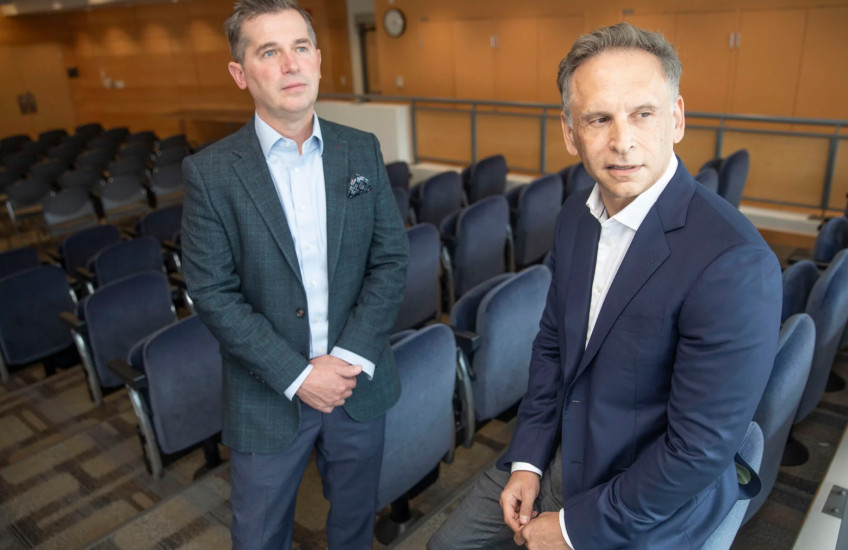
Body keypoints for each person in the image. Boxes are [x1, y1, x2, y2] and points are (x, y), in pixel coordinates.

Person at [429, 22, 781, 550]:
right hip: (563, 451)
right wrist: (527, 459)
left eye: (643, 113)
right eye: (599, 119)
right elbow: (552, 346)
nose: (622, 141)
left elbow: (696, 452)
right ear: (571, 132)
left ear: (677, 118)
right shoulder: (577, 216)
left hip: (650, 493)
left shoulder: (735, 262)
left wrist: (573, 528)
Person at [179, 0, 409, 548]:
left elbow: (390, 261)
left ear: (320, 60)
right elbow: (213, 294)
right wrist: (302, 376)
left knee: (355, 530)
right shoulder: (210, 174)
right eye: (269, 51)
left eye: (301, 47)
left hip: (357, 385)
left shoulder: (361, 149)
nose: (291, 64)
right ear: (240, 73)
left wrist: (345, 361)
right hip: (267, 395)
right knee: (259, 538)